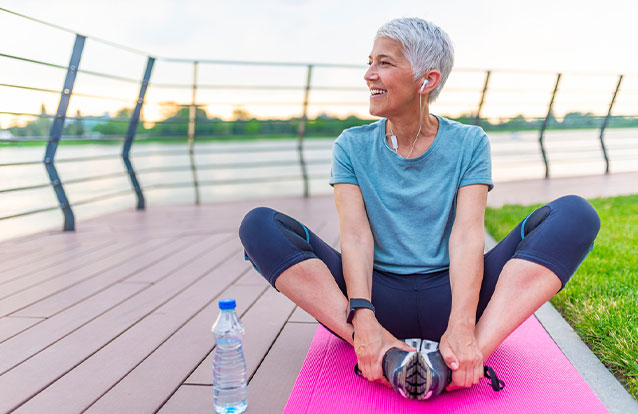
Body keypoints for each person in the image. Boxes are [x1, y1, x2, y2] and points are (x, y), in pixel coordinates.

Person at [239, 17, 600, 400]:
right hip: (374, 301)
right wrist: (363, 318)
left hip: (456, 295)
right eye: (370, 61)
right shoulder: (350, 145)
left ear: (426, 81)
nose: (368, 75)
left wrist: (462, 322)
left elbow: (466, 235)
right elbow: (356, 236)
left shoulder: (470, 142)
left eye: (384, 63)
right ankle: (380, 348)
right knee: (258, 225)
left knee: (576, 215)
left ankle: (467, 353)